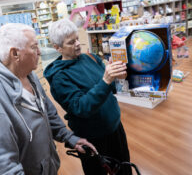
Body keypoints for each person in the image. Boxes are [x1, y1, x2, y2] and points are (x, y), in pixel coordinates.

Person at [0, 23, 97, 175]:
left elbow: (48, 112)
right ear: (15, 54)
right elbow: (2, 163)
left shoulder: (28, 74)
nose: (39, 52)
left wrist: (68, 137)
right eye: (33, 47)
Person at [44, 19, 131, 175]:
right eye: (71, 42)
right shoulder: (59, 78)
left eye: (77, 39)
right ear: (58, 48)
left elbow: (110, 88)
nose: (77, 44)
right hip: (93, 139)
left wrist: (118, 77)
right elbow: (81, 107)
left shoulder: (91, 58)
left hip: (115, 128)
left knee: (124, 169)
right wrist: (106, 80)